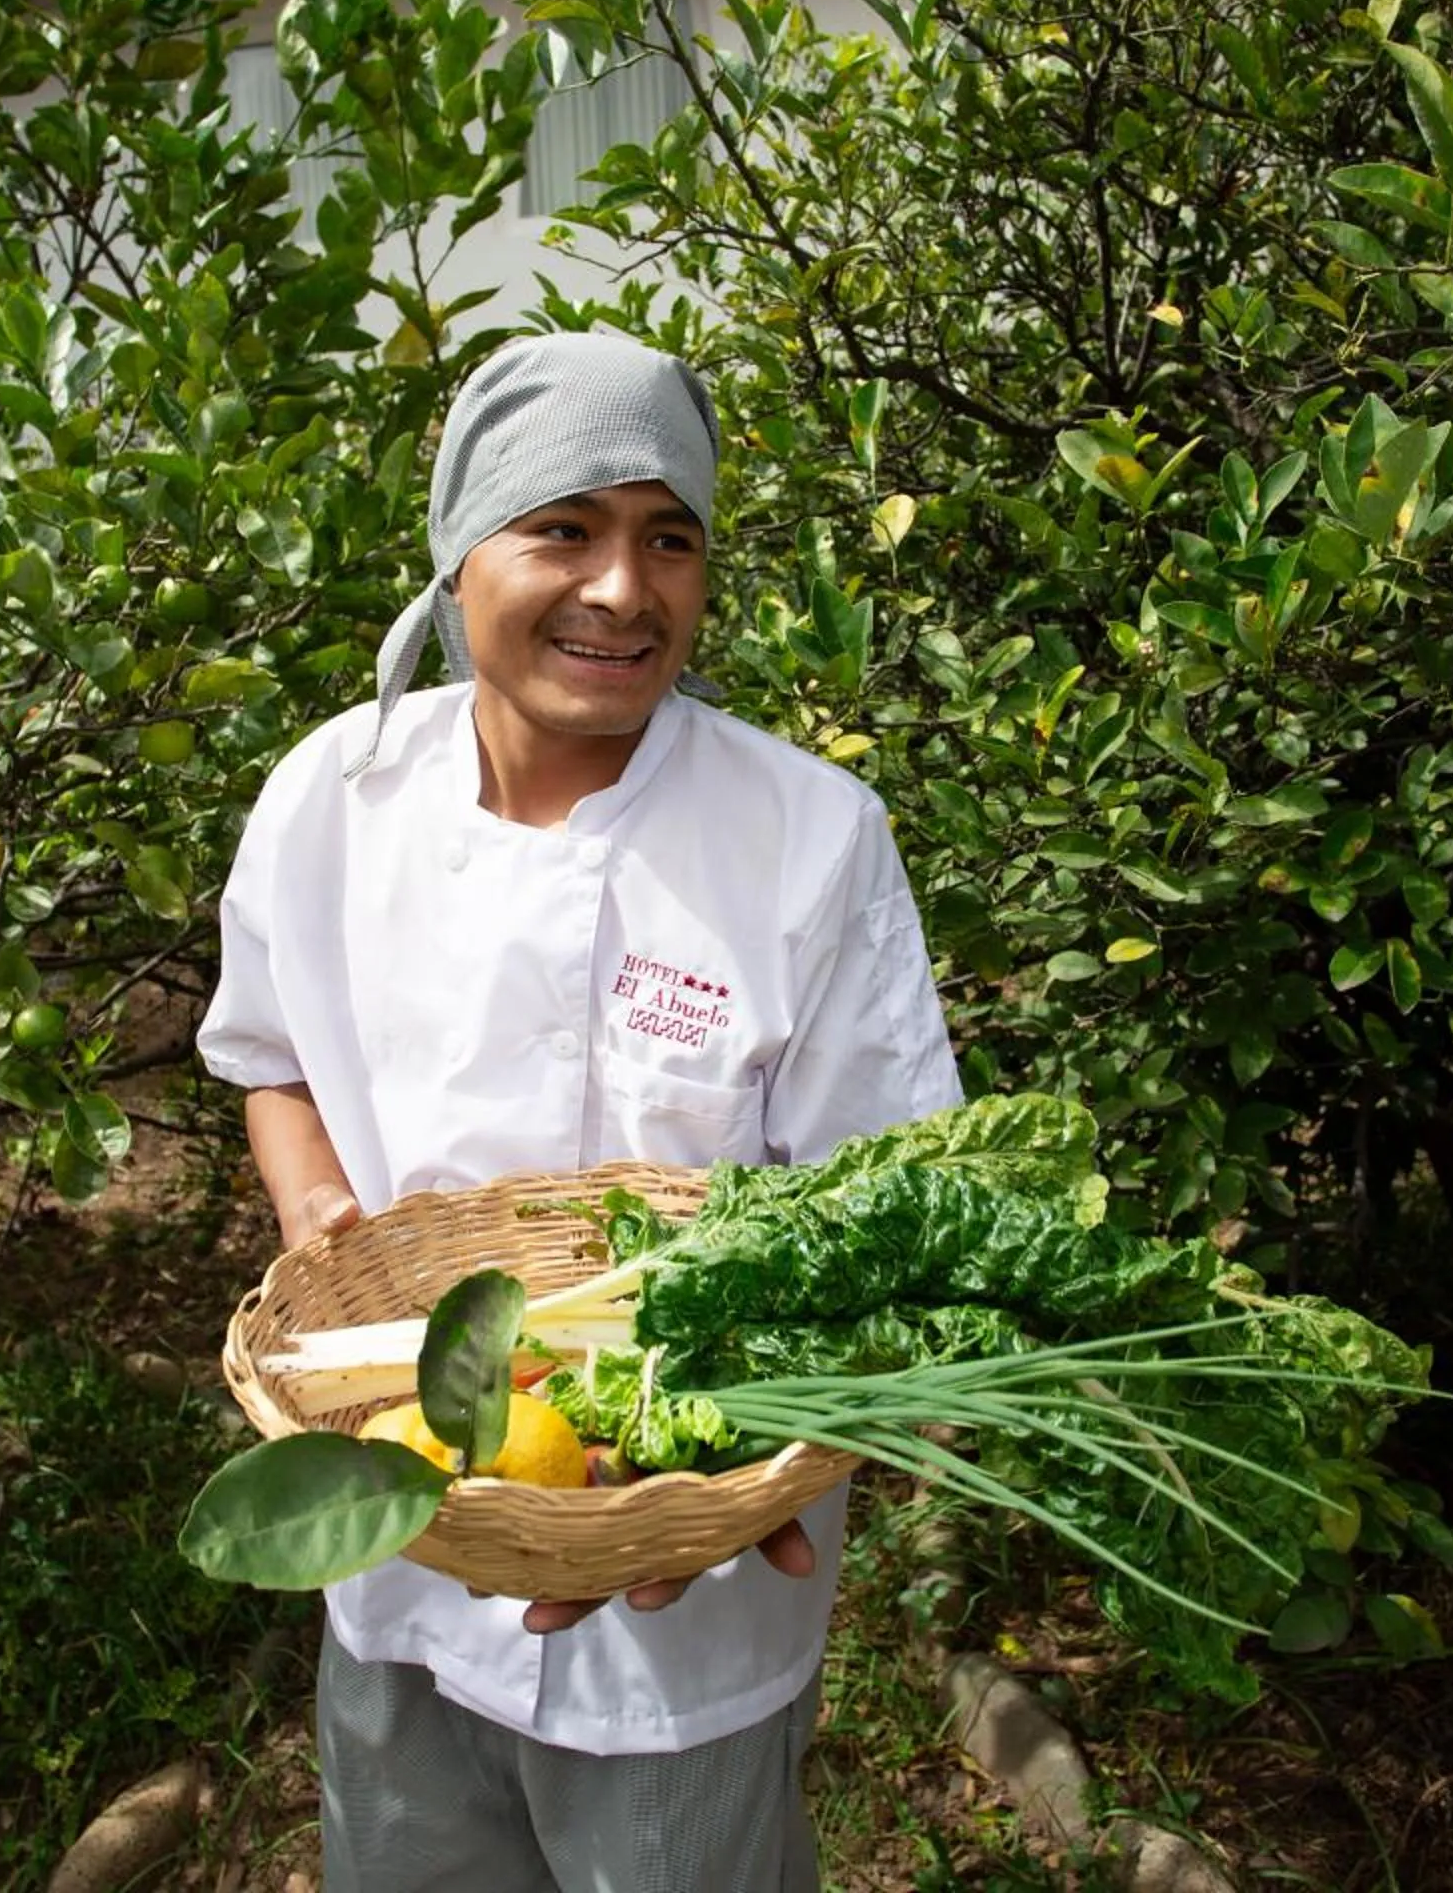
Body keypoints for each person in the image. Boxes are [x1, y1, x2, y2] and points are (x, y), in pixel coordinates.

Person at [197, 331, 959, 1892]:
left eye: (667, 537)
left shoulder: (803, 838)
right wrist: (316, 1218)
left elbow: (883, 1212)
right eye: (565, 527)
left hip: (682, 1593)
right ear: (459, 548)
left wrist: (760, 1464)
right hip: (399, 1548)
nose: (624, 588)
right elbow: (269, 1056)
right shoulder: (334, 800)